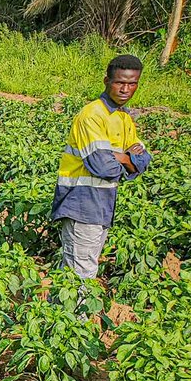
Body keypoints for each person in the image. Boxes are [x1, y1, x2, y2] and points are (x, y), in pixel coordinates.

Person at [52, 54, 151, 279]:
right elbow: (103, 167)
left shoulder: (124, 118)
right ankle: (76, 315)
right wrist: (127, 160)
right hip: (82, 202)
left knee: (75, 270)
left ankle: (58, 310)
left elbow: (143, 161)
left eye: (132, 83)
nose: (125, 89)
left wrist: (123, 158)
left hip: (102, 204)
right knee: (82, 273)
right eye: (120, 82)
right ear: (106, 81)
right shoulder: (92, 115)